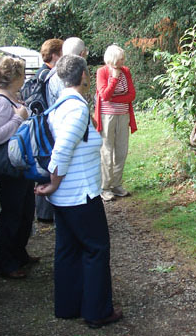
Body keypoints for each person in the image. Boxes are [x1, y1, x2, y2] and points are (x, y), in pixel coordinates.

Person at [35, 54, 122, 329]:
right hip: (79, 194)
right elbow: (62, 149)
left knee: (68, 249)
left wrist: (54, 188)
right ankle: (97, 312)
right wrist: (55, 182)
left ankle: (68, 306)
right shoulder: (76, 108)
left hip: (66, 197)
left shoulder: (60, 104)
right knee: (96, 249)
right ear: (84, 75)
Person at [0, 55, 39, 279]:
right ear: (13, 77)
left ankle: (19, 254)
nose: (25, 77)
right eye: (23, 73)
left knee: (25, 212)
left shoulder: (8, 95)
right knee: (12, 215)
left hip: (18, 165)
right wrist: (18, 119)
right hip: (9, 168)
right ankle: (6, 263)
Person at [36, 37, 86, 223]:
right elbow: (63, 149)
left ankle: (50, 213)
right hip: (58, 131)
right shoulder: (63, 79)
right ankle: (50, 213)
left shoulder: (57, 73)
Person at [94, 45, 137, 201]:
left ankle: (116, 184)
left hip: (123, 115)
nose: (123, 61)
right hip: (107, 117)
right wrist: (114, 78)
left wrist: (114, 98)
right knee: (106, 150)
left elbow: (131, 95)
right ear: (112, 58)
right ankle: (105, 187)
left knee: (121, 150)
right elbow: (104, 95)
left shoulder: (126, 71)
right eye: (121, 58)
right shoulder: (102, 72)